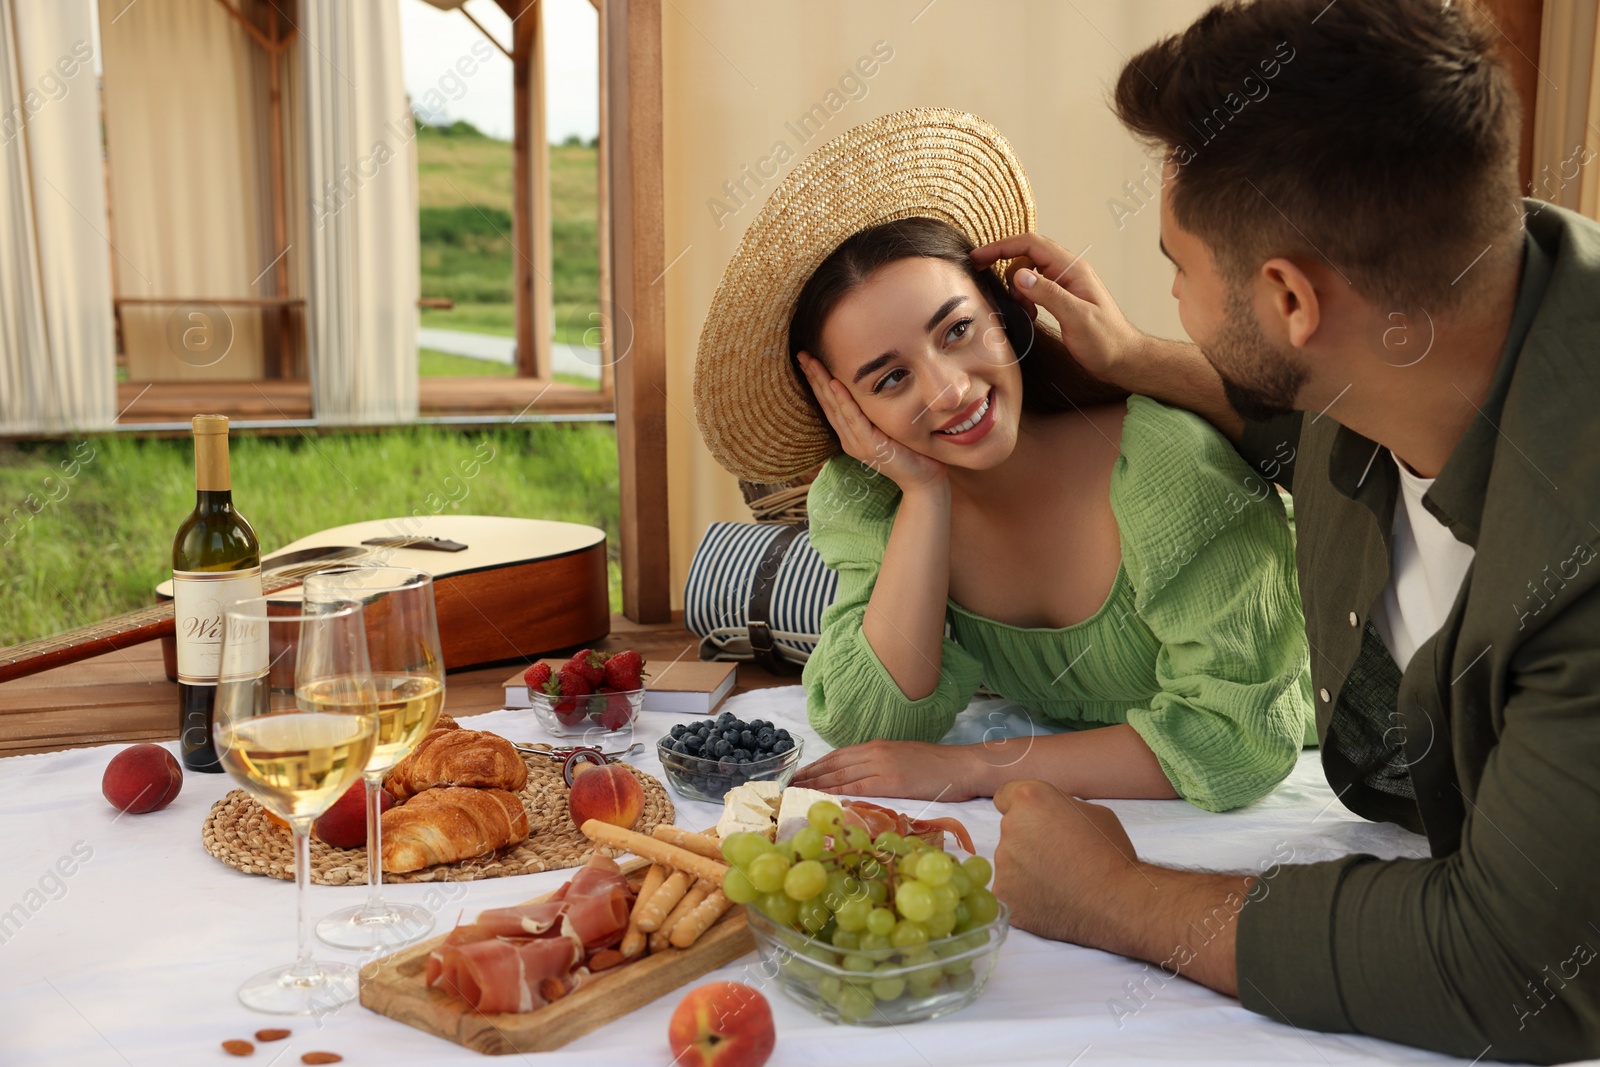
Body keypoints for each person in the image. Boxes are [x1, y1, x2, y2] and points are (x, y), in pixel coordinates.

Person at [974, 0, 1600, 1062]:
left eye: (1175, 267)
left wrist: (1117, 895)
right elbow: (1289, 406)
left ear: (1289, 298)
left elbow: (1516, 967)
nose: (1166, 290)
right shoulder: (1450, 302)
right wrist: (1131, 357)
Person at [693, 108, 1313, 814]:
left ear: (1002, 311)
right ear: (849, 410)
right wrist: (925, 497)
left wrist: (972, 767)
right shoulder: (874, 499)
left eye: (957, 329)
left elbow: (1236, 746)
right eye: (889, 379)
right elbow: (871, 726)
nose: (950, 389)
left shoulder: (1166, 467)